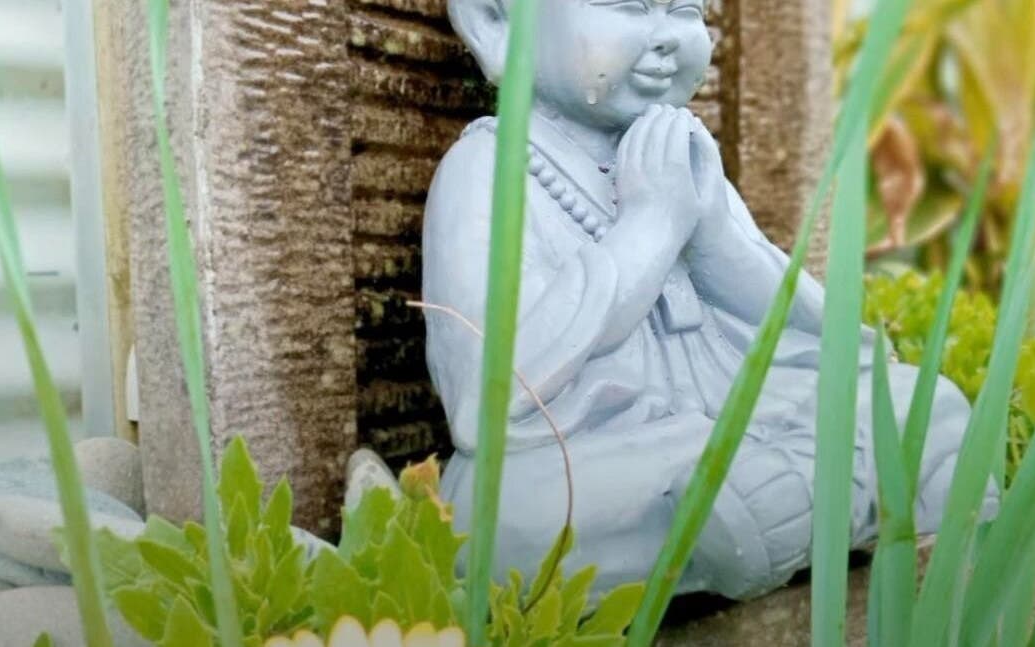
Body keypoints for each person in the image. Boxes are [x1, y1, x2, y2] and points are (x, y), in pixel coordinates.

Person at [424, 0, 990, 600]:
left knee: (925, 406)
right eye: (630, 7)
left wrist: (717, 236)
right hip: (610, 452)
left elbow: (815, 337)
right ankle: (799, 498)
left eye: (685, 11)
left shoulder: (685, 156)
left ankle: (769, 506)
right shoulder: (486, 173)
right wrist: (652, 226)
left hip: (734, 412)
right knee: (502, 516)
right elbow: (486, 391)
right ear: (498, 23)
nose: (667, 38)